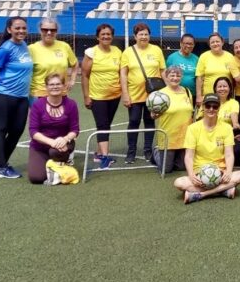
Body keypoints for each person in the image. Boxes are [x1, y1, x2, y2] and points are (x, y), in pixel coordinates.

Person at [0, 16, 33, 179]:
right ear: (9, 30)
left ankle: (1, 164)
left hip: (21, 98)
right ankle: (2, 167)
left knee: (17, 131)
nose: (21, 31)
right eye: (17, 28)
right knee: (1, 130)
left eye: (24, 28)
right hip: (2, 96)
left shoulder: (24, 45)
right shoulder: (5, 49)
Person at [175, 94, 240, 203]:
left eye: (215, 106)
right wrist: (191, 175)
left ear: (219, 108)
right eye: (208, 106)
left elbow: (229, 154)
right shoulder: (192, 128)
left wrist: (228, 171)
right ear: (203, 107)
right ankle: (223, 190)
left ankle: (202, 194)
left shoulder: (227, 128)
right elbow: (189, 156)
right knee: (179, 183)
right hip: (200, 173)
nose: (211, 109)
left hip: (220, 172)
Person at [120, 22, 166, 164]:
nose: (144, 37)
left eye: (146, 34)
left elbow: (163, 70)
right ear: (135, 36)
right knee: (133, 121)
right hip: (134, 94)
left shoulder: (156, 50)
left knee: (149, 121)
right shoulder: (128, 52)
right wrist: (125, 94)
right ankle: (131, 151)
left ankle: (147, 150)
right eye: (141, 34)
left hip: (152, 95)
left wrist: (168, 90)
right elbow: (123, 74)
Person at [81, 23, 122, 169]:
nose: (106, 36)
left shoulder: (117, 51)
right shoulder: (91, 52)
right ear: (98, 36)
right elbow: (85, 76)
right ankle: (105, 157)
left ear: (112, 36)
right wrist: (86, 96)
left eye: (108, 34)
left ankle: (99, 154)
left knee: (106, 125)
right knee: (102, 125)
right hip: (97, 96)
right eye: (103, 34)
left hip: (115, 96)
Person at [27, 73, 80, 184]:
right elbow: (33, 131)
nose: (55, 87)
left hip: (62, 144)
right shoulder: (37, 105)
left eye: (58, 84)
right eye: (51, 84)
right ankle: (50, 163)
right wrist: (51, 142)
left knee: (55, 151)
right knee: (36, 178)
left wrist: (65, 139)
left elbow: (75, 129)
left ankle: (63, 161)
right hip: (40, 146)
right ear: (46, 87)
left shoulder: (71, 104)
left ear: (64, 86)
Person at [151, 66, 193, 173]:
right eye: (172, 75)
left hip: (184, 136)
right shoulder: (160, 94)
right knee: (166, 169)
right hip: (168, 136)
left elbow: (191, 113)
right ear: (166, 77)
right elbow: (153, 116)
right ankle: (156, 151)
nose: (175, 78)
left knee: (182, 167)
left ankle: (173, 157)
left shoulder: (187, 92)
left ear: (181, 77)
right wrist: (155, 114)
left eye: (178, 75)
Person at [28, 17, 78, 98]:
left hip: (61, 93)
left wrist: (72, 80)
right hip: (39, 94)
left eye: (53, 30)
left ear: (57, 31)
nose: (49, 32)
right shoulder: (31, 49)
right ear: (40, 30)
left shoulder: (64, 46)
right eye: (45, 29)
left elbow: (75, 64)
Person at [195, 32, 234, 106]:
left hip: (226, 98)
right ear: (209, 45)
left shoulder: (230, 57)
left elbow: (234, 78)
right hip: (208, 97)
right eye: (212, 42)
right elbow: (199, 77)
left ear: (222, 42)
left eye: (217, 41)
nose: (215, 44)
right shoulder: (204, 56)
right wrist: (198, 96)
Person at [166, 34, 198, 98]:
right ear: (181, 44)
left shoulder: (196, 59)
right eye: (186, 43)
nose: (188, 46)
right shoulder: (172, 58)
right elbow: (166, 75)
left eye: (191, 44)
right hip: (175, 94)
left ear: (194, 45)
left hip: (192, 94)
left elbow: (198, 77)